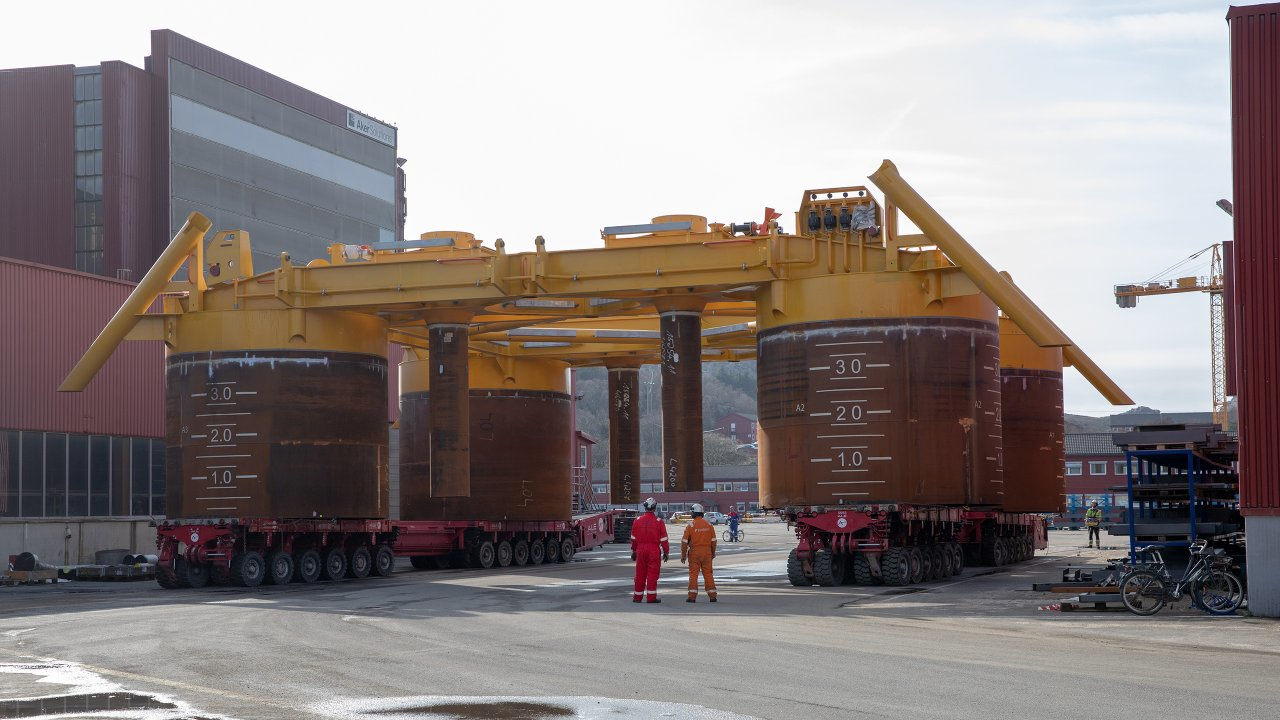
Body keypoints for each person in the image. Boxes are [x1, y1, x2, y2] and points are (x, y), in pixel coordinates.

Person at [630, 497, 669, 603]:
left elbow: (633, 538)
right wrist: (666, 552)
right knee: (652, 574)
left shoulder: (637, 521)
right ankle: (651, 598)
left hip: (640, 550)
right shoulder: (659, 522)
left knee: (640, 574)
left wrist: (634, 550)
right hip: (653, 551)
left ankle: (637, 597)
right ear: (655, 507)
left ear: (645, 507)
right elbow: (664, 539)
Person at [680, 503, 718, 603]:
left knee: (693, 574)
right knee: (708, 574)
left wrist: (683, 556)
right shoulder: (709, 525)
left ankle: (692, 597)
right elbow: (714, 541)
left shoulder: (691, 525)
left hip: (694, 553)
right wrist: (713, 553)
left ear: (694, 513)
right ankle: (712, 596)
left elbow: (684, 542)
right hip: (707, 552)